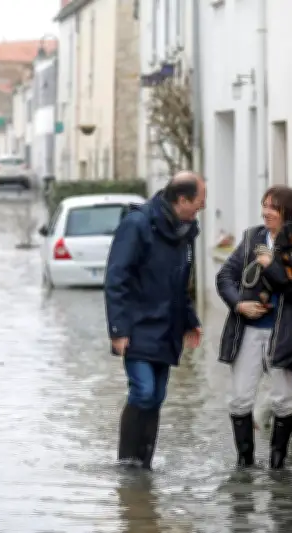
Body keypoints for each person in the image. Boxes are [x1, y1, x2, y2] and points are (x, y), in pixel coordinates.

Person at [104, 171, 206, 469]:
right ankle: (127, 464)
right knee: (143, 391)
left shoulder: (186, 230)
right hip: (137, 326)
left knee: (157, 395)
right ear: (182, 199)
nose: (202, 205)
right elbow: (116, 279)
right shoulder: (137, 224)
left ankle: (143, 465)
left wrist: (190, 320)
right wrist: (118, 329)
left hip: (167, 327)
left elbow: (180, 282)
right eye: (199, 199)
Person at [217, 185, 292, 469]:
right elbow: (225, 276)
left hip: (283, 333)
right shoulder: (251, 239)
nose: (265, 212)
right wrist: (239, 304)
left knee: (283, 400)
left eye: (273, 207)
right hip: (247, 330)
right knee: (240, 399)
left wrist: (271, 265)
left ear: (288, 212)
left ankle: (277, 465)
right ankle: (245, 463)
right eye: (264, 205)